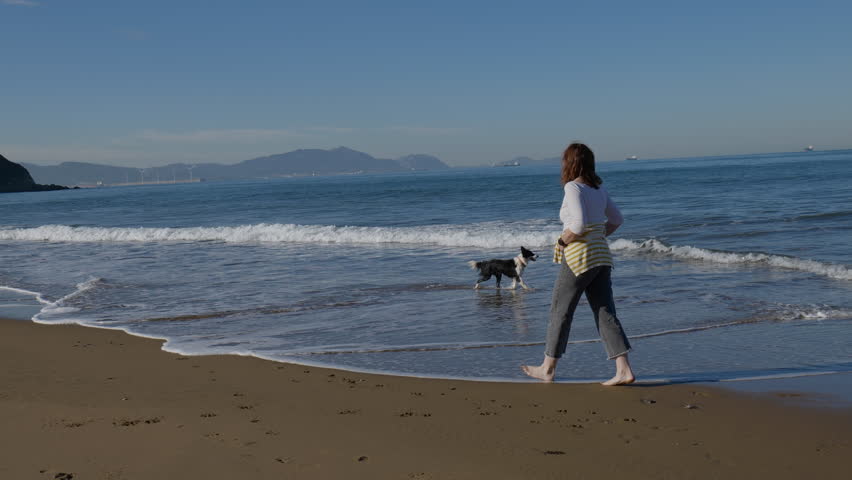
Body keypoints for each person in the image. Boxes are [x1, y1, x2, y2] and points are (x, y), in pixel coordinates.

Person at [522, 143, 635, 385]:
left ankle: (547, 368)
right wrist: (597, 236)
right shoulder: (599, 188)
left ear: (570, 163)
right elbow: (617, 219)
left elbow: (578, 224)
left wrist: (562, 241)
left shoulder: (573, 187)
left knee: (560, 311)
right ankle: (623, 369)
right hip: (601, 257)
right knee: (605, 312)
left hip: (578, 258)